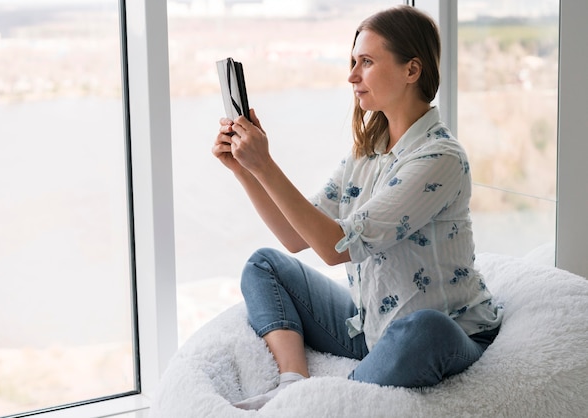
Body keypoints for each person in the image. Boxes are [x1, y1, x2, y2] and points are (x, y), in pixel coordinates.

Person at [212, 5, 503, 411]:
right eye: (353, 62)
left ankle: (328, 401)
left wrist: (266, 164)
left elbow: (337, 248)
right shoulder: (366, 154)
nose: (351, 76)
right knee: (264, 264)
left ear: (411, 70)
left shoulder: (440, 157)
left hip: (450, 330)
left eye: (365, 62)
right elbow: (296, 239)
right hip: (372, 326)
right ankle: (294, 383)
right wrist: (248, 170)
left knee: (423, 331)